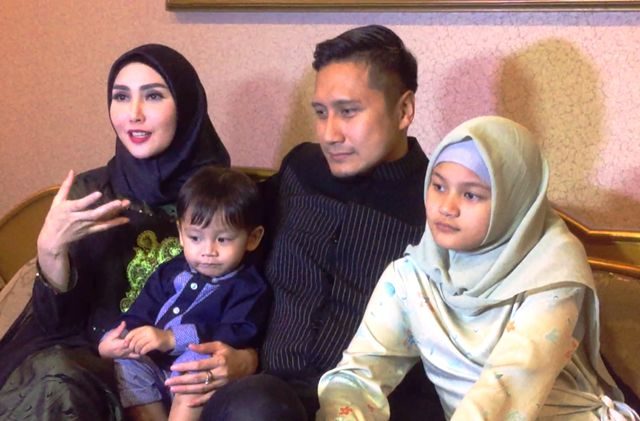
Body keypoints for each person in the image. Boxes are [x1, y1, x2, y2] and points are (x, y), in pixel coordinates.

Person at [165, 24, 444, 420]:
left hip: (369, 407)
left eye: (348, 112)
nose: (330, 134)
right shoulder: (300, 171)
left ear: (404, 110)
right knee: (255, 405)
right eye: (320, 113)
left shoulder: (437, 205)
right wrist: (245, 356)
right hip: (262, 394)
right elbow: (222, 244)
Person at [317, 116, 640, 420]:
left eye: (471, 195)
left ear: (513, 203)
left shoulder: (553, 275)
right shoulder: (410, 278)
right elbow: (357, 376)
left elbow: (505, 391)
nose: (447, 207)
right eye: (438, 186)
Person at [0, 44, 231, 420]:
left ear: (186, 106)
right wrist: (50, 250)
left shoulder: (224, 196)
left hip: (189, 363)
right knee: (56, 378)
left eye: (153, 96)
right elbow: (58, 326)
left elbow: (249, 296)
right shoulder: (91, 193)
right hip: (95, 365)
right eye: (121, 97)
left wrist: (238, 356)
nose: (133, 114)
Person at [99, 166, 270, 421]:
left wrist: (172, 338)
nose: (208, 251)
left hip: (199, 378)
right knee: (127, 362)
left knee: (197, 363)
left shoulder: (248, 286)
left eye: (223, 240)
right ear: (180, 233)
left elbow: (238, 332)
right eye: (195, 238)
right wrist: (117, 339)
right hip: (156, 368)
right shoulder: (170, 271)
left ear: (252, 238)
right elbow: (140, 311)